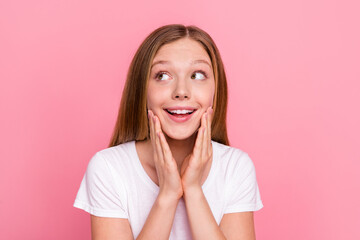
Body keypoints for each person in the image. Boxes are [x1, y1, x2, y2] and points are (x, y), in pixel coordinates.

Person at [73, 24, 263, 239]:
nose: (181, 92)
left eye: (198, 75)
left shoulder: (235, 167)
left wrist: (193, 190)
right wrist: (168, 194)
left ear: (215, 90)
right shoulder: (108, 168)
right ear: (142, 89)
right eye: (163, 76)